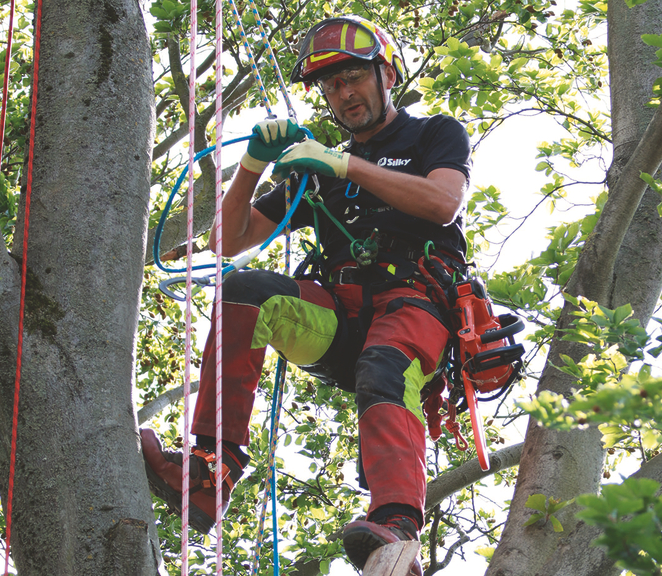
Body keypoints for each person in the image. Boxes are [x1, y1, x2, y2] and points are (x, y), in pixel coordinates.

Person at [140, 14, 471, 572]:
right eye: (332, 85)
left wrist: (345, 164)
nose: (344, 93)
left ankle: (397, 525)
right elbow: (229, 237)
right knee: (244, 290)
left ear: (384, 74)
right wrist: (252, 166)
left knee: (385, 365)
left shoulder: (432, 134)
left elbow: (443, 203)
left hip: (416, 306)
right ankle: (209, 472)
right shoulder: (314, 172)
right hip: (341, 316)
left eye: (354, 78)